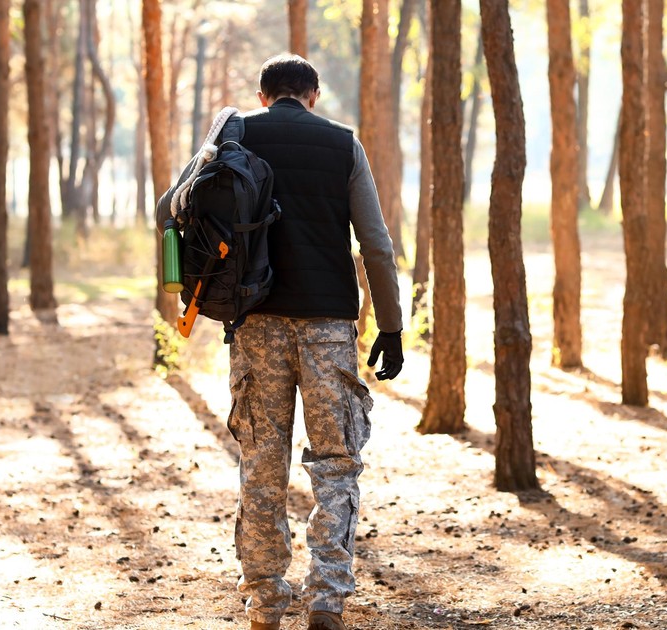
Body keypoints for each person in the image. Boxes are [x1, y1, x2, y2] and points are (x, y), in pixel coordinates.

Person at [157, 53, 403, 630]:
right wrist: (389, 326)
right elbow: (376, 243)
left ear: (264, 96)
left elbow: (173, 207)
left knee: (261, 466)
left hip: (256, 323)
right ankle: (327, 598)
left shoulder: (234, 138)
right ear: (313, 95)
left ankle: (265, 602)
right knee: (336, 465)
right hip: (328, 328)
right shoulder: (343, 144)